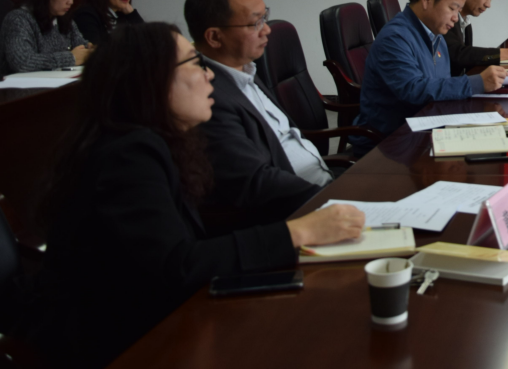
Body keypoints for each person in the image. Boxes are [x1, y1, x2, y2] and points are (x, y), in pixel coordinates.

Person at [20, 22, 364, 368]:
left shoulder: (155, 142)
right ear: (152, 80)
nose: (209, 75)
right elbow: (176, 265)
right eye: (194, 64)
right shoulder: (128, 155)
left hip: (147, 320)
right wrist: (298, 232)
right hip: (114, 345)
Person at [184, 0, 333, 232]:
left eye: (265, 16)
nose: (267, 29)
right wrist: (332, 200)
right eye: (255, 23)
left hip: (323, 186)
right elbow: (256, 183)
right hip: (298, 214)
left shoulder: (245, 69)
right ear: (214, 37)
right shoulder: (208, 98)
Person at [351, 0, 508, 154]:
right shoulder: (395, 38)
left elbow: (440, 85)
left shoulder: (436, 35)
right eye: (453, 8)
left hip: (426, 131)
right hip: (389, 144)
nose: (456, 18)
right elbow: (414, 89)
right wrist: (476, 83)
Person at [0, 0, 91, 76]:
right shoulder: (18, 19)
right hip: (22, 86)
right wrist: (70, 58)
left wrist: (91, 51)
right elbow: (22, 62)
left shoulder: (64, 19)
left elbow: (81, 47)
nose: (71, 2)